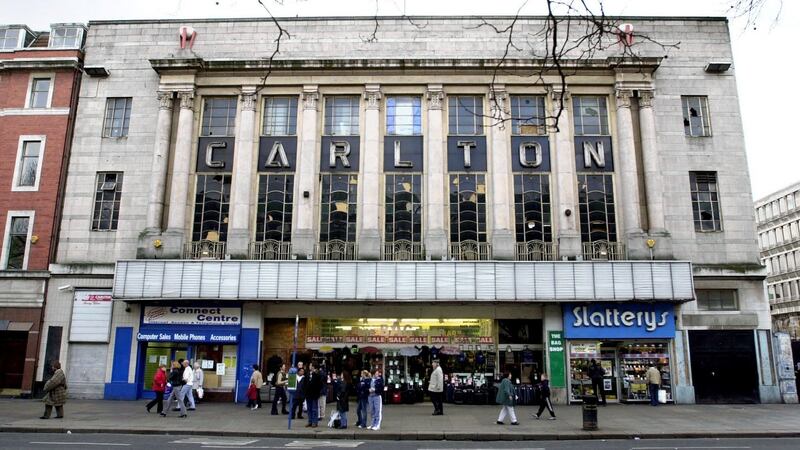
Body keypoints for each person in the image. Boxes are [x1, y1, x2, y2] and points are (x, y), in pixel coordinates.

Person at [305, 363, 323, 428]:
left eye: (310, 365)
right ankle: (310, 421)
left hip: (314, 394)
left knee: (314, 409)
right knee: (309, 409)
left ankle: (314, 422)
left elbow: (320, 384)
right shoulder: (307, 374)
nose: (309, 367)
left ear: (313, 367)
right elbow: (305, 383)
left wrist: (318, 392)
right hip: (308, 394)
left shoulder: (317, 374)